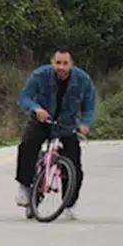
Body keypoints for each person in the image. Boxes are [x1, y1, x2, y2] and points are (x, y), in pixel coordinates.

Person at [15, 47, 96, 219]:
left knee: (74, 164)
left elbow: (89, 105)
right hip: (43, 121)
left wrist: (85, 123)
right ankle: (25, 187)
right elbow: (24, 97)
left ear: (71, 64)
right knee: (27, 145)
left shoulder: (83, 80)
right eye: (58, 63)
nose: (61, 67)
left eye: (65, 63)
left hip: (67, 125)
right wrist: (35, 108)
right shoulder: (40, 75)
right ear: (52, 62)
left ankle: (70, 203)